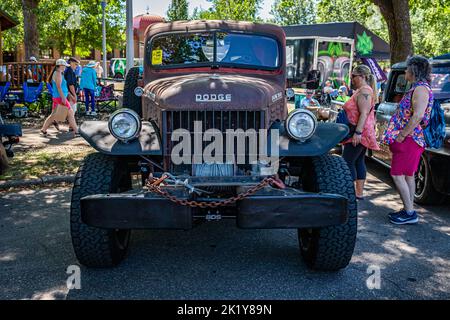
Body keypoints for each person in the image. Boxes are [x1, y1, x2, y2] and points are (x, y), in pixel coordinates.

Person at [382, 56, 433, 225]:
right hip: (410, 139)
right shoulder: (418, 88)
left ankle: (410, 213)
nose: (405, 72)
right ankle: (409, 209)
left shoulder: (420, 89)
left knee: (397, 175)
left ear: (414, 70)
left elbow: (418, 115)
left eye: (407, 68)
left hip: (409, 139)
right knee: (409, 176)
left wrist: (402, 135)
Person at [342, 65, 380, 200]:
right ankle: (358, 193)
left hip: (359, 132)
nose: (351, 79)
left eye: (353, 76)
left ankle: (350, 194)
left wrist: (357, 133)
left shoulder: (365, 91)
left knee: (347, 161)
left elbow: (364, 114)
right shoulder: (362, 91)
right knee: (358, 161)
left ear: (362, 77)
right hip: (362, 132)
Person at [41, 59, 79, 137]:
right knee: (71, 113)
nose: (65, 67)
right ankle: (77, 131)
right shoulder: (58, 74)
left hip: (58, 97)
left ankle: (43, 129)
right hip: (60, 97)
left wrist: (66, 95)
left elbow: (62, 87)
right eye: (64, 66)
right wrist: (63, 98)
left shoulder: (59, 73)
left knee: (53, 115)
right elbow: (59, 87)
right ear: (60, 66)